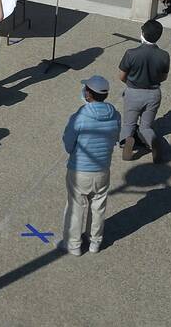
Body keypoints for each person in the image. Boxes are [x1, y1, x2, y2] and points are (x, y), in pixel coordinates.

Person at [60, 76, 121, 256]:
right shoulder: (115, 114)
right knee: (99, 206)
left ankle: (73, 245)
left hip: (79, 169)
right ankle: (95, 242)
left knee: (76, 206)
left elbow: (68, 143)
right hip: (103, 168)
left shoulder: (80, 116)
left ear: (88, 93)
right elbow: (116, 137)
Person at [118, 19, 170, 163]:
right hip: (154, 93)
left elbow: (122, 76)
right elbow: (164, 77)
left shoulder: (131, 53)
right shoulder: (164, 55)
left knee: (129, 124)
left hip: (134, 92)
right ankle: (152, 142)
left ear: (142, 33)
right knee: (146, 126)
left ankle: (127, 141)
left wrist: (130, 84)